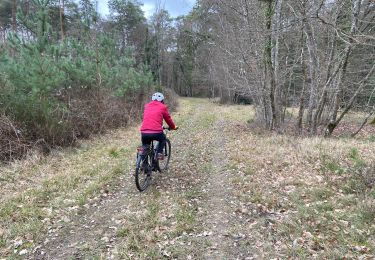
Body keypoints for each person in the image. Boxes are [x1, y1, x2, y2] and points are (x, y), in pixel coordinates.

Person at [140, 92, 178, 160]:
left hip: (144, 132)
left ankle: (144, 165)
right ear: (162, 100)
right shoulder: (162, 107)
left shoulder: (147, 106)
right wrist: (173, 127)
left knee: (145, 147)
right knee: (163, 139)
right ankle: (159, 153)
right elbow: (168, 119)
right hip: (156, 132)